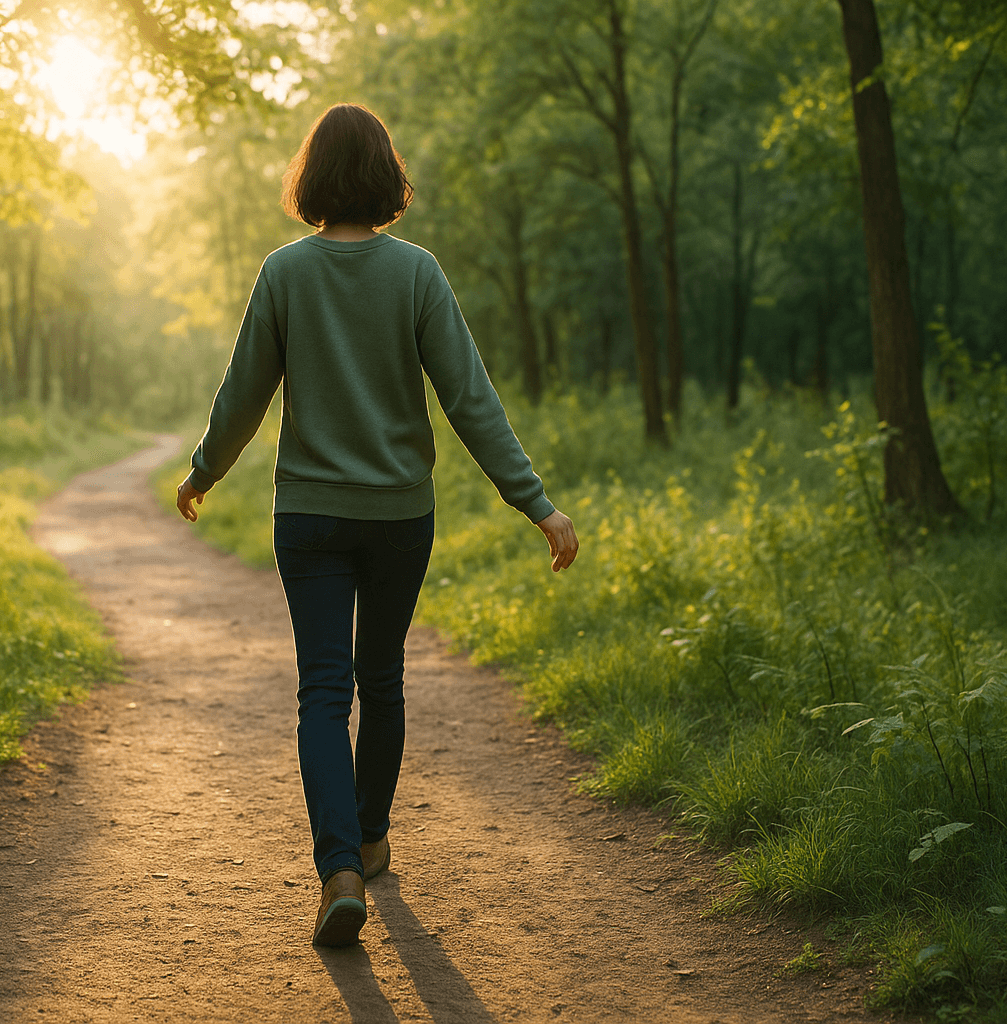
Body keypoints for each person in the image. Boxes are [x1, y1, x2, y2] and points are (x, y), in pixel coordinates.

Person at [174, 102, 578, 947]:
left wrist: (203, 471)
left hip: (310, 516)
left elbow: (243, 393)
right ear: (386, 175)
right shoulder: (417, 273)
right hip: (400, 516)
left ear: (311, 178)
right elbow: (469, 399)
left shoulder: (285, 273)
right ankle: (374, 837)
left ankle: (340, 868)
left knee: (324, 694)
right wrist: (535, 502)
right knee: (382, 679)